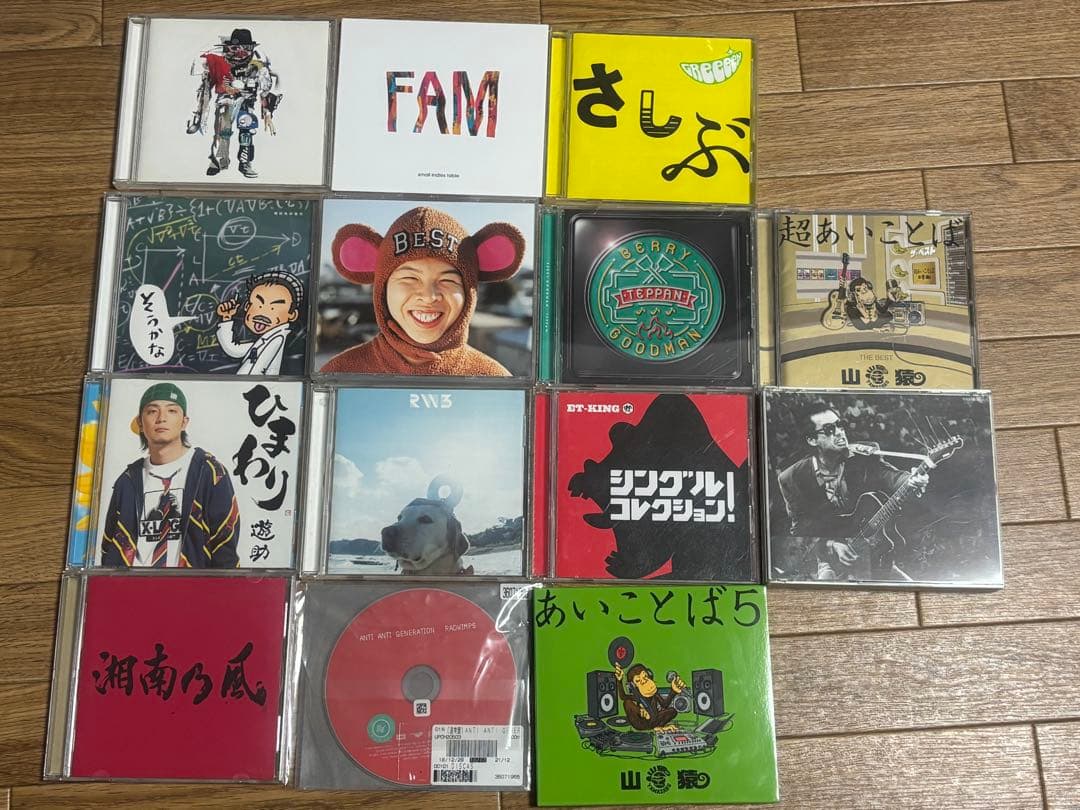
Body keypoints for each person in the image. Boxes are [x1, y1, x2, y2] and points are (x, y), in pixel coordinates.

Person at [320, 206, 525, 376]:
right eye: (410, 278)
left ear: (468, 292)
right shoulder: (339, 374)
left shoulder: (494, 380)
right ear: (382, 289)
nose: (429, 296)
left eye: (447, 280)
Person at [776, 402, 928, 581]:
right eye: (829, 429)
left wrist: (912, 480)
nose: (839, 432)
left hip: (870, 551)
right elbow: (800, 528)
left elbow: (890, 476)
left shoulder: (863, 455)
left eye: (840, 425)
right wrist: (832, 545)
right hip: (828, 557)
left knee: (910, 589)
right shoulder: (792, 477)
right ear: (812, 440)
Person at [100, 383, 240, 568]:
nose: (161, 418)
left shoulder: (210, 473)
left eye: (172, 411)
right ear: (140, 423)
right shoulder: (127, 481)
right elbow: (110, 546)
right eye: (152, 411)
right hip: (136, 583)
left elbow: (225, 544)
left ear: (184, 422)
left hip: (191, 583)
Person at [186, 28, 281, 178]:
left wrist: (267, 112)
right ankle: (219, 161)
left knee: (246, 130)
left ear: (251, 48)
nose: (240, 52)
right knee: (222, 130)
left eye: (246, 48)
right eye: (235, 48)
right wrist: (199, 114)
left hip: (246, 102)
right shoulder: (218, 63)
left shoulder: (258, 66)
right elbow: (205, 89)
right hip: (225, 101)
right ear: (228, 47)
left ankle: (245, 162)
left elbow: (265, 91)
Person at [215, 270, 303, 374]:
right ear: (247, 306)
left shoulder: (277, 339)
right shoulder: (265, 339)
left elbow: (256, 370)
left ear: (292, 315)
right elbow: (234, 350)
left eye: (273, 308)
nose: (263, 313)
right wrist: (226, 317)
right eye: (259, 305)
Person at [614, 662, 686, 732]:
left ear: (649, 675)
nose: (644, 681)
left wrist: (673, 691)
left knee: (672, 711)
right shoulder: (637, 696)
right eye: (638, 680)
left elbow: (665, 705)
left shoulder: (654, 693)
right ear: (633, 686)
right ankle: (652, 727)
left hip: (654, 720)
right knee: (627, 703)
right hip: (642, 724)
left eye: (645, 676)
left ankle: (657, 727)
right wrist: (619, 681)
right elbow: (623, 697)